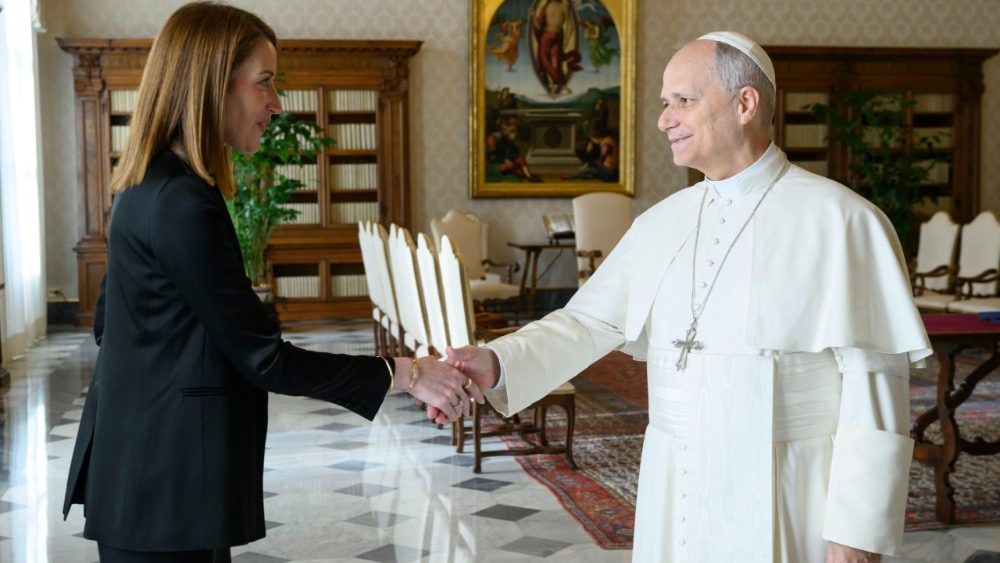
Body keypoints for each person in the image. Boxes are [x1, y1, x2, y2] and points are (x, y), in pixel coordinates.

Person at [444, 31, 930, 563]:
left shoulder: (843, 221)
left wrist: (857, 531)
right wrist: (499, 360)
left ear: (744, 103)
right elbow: (588, 322)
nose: (663, 119)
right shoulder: (662, 222)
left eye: (683, 100)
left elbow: (875, 381)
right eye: (664, 103)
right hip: (677, 474)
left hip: (792, 485)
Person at [61, 4, 481, 562]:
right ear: (214, 85)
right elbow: (264, 361)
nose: (277, 103)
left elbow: (108, 324)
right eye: (265, 83)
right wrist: (408, 373)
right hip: (165, 487)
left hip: (148, 477)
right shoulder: (182, 202)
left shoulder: (152, 184)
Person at [532, 0, 582, 95]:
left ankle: (562, 85)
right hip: (545, 38)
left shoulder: (564, 5)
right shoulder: (546, 6)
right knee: (546, 62)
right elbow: (538, 26)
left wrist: (567, 40)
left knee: (556, 63)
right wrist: (533, 15)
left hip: (557, 38)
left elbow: (570, 25)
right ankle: (554, 86)